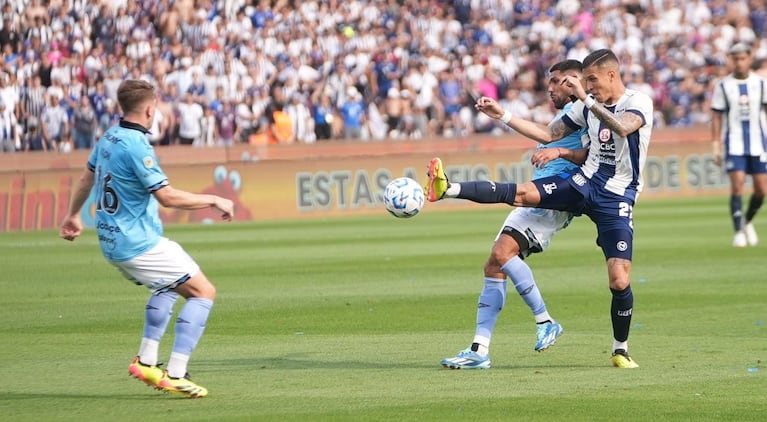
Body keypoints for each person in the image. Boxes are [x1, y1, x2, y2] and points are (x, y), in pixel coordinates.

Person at [426, 49, 653, 368]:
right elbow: (549, 134)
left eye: (591, 80)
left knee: (619, 279)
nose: (587, 87)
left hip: (617, 196)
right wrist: (502, 116)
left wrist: (585, 102)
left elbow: (622, 127)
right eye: (584, 80)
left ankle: (620, 348)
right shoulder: (585, 108)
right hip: (584, 182)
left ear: (611, 75)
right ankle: (448, 188)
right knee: (519, 197)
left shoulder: (638, 102)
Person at [59, 79, 235, 397]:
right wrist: (213, 200)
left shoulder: (109, 137)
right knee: (203, 292)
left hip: (113, 241)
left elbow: (87, 178)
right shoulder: (137, 146)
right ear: (150, 109)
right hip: (137, 243)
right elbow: (167, 197)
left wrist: (73, 215)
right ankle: (177, 373)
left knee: (168, 284)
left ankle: (147, 361)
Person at [439, 60, 587, 370]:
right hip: (545, 190)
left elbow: (588, 153)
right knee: (494, 263)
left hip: (557, 196)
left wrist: (560, 153)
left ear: (574, 80)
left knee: (503, 249)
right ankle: (479, 349)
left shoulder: (590, 112)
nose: (550, 87)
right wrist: (502, 114)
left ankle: (545, 320)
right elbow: (546, 133)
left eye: (557, 81)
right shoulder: (568, 115)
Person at [710, 42, 767, 247]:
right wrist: (716, 144)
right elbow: (716, 116)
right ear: (731, 60)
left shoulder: (761, 84)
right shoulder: (723, 86)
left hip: (759, 143)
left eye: (743, 58)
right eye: (735, 59)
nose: (739, 63)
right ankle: (738, 233)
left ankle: (747, 221)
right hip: (734, 143)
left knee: (761, 189)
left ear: (750, 59)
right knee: (738, 185)